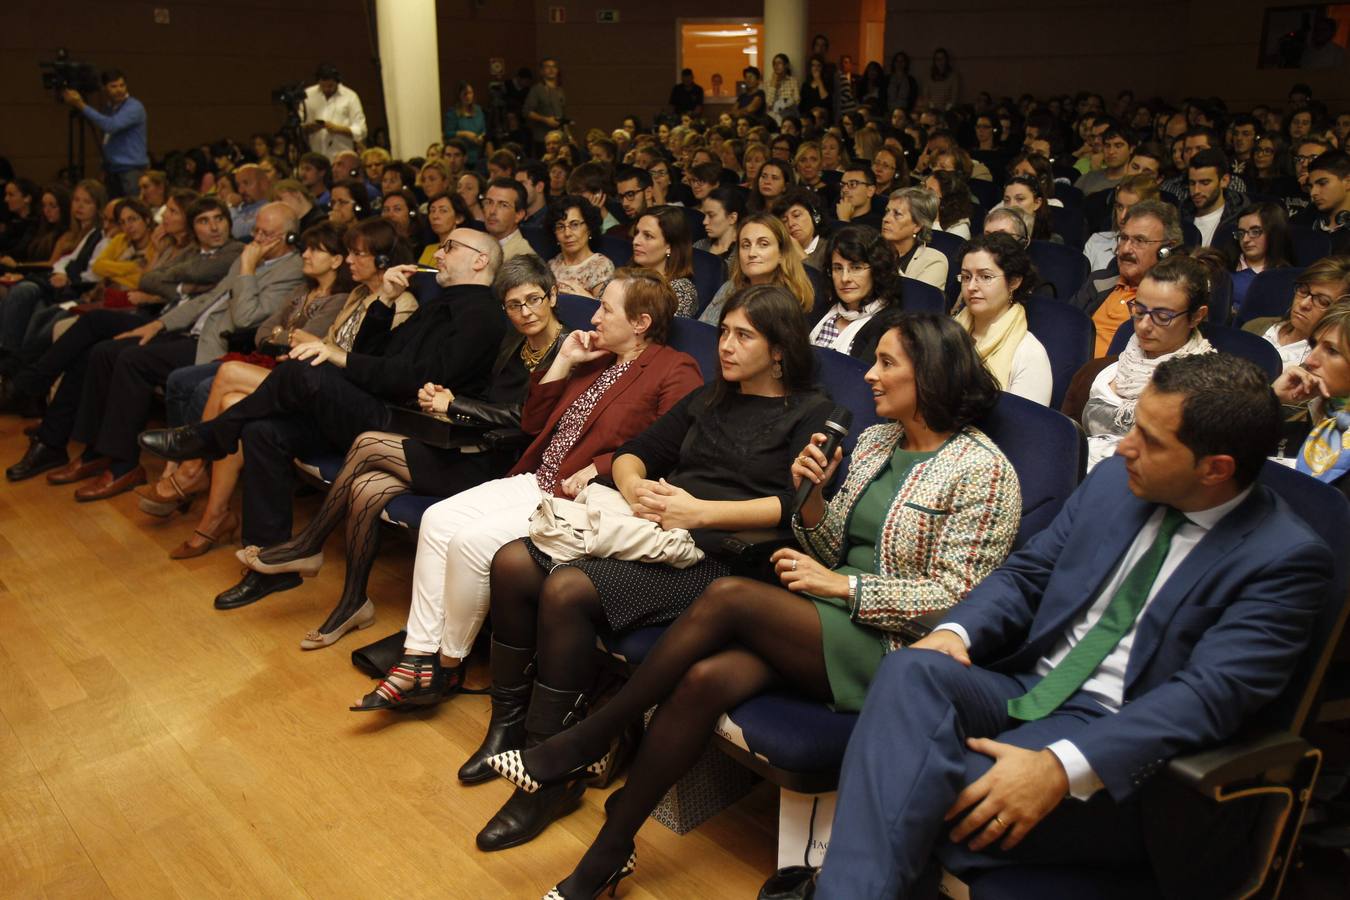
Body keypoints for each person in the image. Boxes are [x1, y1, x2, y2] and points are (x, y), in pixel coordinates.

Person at [487, 312, 1023, 898]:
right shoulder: (874, 442)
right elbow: (829, 543)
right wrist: (813, 499)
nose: (869, 375)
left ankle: (589, 737)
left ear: (933, 375)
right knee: (705, 680)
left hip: (901, 648)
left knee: (730, 595)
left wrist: (844, 587)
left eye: (887, 364)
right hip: (825, 614)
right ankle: (608, 853)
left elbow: (961, 598)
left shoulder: (984, 470)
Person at [812, 350, 1329, 898]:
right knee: (910, 673)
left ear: (1215, 468)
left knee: (903, 775)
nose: (1124, 446)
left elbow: (1208, 697)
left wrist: (1060, 768)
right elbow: (1029, 574)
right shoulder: (1114, 481)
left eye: (1150, 440)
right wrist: (955, 632)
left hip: (1122, 740)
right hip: (1030, 686)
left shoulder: (1285, 558)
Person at [468, 285, 836, 848]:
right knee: (513, 562)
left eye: (744, 336)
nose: (727, 347)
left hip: (724, 560)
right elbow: (637, 451)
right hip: (659, 534)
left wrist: (701, 512)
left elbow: (797, 507)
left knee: (567, 589)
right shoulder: (712, 397)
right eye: (724, 333)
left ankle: (549, 776)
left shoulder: (812, 412)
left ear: (780, 348)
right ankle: (509, 728)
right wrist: (638, 487)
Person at [350, 269, 702, 710]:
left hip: (572, 500)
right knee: (438, 521)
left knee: (470, 544)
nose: (593, 318)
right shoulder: (595, 359)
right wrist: (564, 360)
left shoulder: (674, 368)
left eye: (606, 309)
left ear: (641, 322)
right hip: (536, 477)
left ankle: (448, 662)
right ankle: (418, 656)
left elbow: (675, 444)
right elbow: (533, 423)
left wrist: (601, 467)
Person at [137, 227, 508, 609]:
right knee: (264, 432)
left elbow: (420, 380)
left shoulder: (483, 317)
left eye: (450, 247)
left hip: (407, 430)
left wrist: (336, 355)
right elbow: (375, 356)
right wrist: (384, 301)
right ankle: (271, 568)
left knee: (304, 369)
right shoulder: (439, 304)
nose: (439, 254)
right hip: (376, 409)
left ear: (480, 260)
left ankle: (211, 436)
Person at [232, 255, 569, 646]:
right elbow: (488, 397)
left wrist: (455, 405)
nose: (525, 312)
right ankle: (352, 601)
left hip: (505, 467)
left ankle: (308, 544)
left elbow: (528, 419)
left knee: (368, 442)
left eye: (533, 300)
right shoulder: (514, 341)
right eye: (514, 304)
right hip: (471, 444)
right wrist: (447, 397)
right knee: (366, 487)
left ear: (553, 295)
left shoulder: (569, 348)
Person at [3, 203, 304, 494]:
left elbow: (245, 318)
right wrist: (159, 325)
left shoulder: (288, 269)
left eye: (267, 234)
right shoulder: (248, 256)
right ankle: (90, 450)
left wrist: (248, 270)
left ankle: (123, 465)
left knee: (132, 360)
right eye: (256, 231)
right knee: (101, 350)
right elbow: (206, 299)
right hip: (186, 329)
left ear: (289, 237)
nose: (257, 239)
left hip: (213, 344)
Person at [135, 223, 356, 548]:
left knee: (227, 375)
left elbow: (300, 344)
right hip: (275, 371)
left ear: (337, 260)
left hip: (303, 384)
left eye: (315, 249)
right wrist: (283, 338)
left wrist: (282, 337)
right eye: (306, 248)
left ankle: (191, 470)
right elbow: (261, 334)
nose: (305, 255)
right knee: (228, 403)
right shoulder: (301, 293)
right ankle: (215, 516)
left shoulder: (340, 300)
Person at [1067, 254, 1215, 469]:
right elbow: (1067, 441)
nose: (1144, 325)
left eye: (1163, 316)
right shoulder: (1096, 371)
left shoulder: (1203, 388)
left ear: (1196, 316)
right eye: (1139, 310)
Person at [1070, 199, 1180, 357]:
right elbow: (1064, 328)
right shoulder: (1099, 281)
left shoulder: (1171, 301)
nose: (1125, 249)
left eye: (1139, 241)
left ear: (1166, 249)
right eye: (1123, 238)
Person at [953, 234, 1054, 405]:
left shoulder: (1029, 353)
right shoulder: (947, 333)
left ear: (1014, 282)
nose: (971, 287)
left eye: (985, 277)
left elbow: (1022, 427)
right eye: (966, 277)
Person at [1274, 302, 1350, 498]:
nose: (1310, 361)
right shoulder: (1321, 409)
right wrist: (1272, 397)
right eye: (1314, 345)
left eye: (1332, 351)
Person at [809, 225, 904, 360]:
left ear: (877, 270)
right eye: (837, 268)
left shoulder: (889, 326)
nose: (845, 278)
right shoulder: (821, 309)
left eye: (856, 267)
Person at [700, 214, 814, 324]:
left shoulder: (788, 301)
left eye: (763, 244)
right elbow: (701, 330)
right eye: (746, 245)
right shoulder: (729, 288)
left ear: (781, 254)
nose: (752, 253)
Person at [1243, 257, 1350, 370]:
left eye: (1322, 301)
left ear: (1340, 311)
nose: (1304, 304)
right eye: (1303, 290)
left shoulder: (1319, 362)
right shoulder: (1254, 325)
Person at [62, 69, 148, 198]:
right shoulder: (109, 108)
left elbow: (111, 126)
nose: (119, 90)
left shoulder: (134, 107)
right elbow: (107, 139)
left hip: (131, 171)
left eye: (122, 85)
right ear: (104, 88)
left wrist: (81, 105)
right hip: (113, 170)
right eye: (113, 86)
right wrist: (104, 165)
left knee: (131, 209)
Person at [1082, 175, 1160, 272]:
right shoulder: (1097, 241)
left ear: (1151, 211)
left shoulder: (1156, 249)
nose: (1123, 216)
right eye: (1120, 207)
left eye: (1132, 209)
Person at [1226, 202, 1294, 313]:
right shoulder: (1222, 265)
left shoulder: (1284, 278)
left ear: (1273, 234)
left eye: (1255, 232)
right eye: (1241, 233)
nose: (1245, 240)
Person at [630, 206, 698, 317]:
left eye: (648, 236)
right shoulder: (625, 276)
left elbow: (661, 332)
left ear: (670, 246)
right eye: (636, 233)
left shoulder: (680, 291)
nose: (635, 241)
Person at [547, 194, 614, 298]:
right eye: (560, 226)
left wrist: (585, 300)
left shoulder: (601, 267)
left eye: (574, 224)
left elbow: (606, 311)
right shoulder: (551, 266)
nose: (567, 233)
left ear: (589, 228)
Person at [882, 188, 948, 290]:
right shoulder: (873, 250)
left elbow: (918, 300)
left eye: (897, 214)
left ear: (918, 225)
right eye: (887, 212)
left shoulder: (933, 262)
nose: (885, 219)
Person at [298, 63, 366, 160]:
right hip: (315, 154)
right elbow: (299, 124)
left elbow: (361, 130)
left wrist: (338, 129)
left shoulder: (350, 96)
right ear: (319, 82)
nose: (327, 89)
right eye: (323, 86)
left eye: (330, 86)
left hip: (342, 155)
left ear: (337, 82)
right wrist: (309, 127)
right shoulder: (308, 95)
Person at [1182, 149, 1240, 248]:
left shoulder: (1240, 219)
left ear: (1224, 181)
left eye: (1205, 183)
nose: (1196, 191)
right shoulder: (1179, 216)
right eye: (1192, 183)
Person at [1305, 151, 1350, 255]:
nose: (1313, 193)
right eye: (1311, 186)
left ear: (1348, 182)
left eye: (1322, 183)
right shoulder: (1302, 221)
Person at [775, 188, 829, 271]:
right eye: (784, 220)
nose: (791, 224)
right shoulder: (781, 253)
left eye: (796, 215)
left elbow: (819, 282)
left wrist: (801, 255)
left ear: (815, 217)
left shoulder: (829, 249)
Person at [482, 178, 535, 261]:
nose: (492, 211)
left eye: (503, 205)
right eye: (489, 202)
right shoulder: (475, 243)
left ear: (519, 215)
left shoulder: (523, 258)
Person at [694, 185, 744, 270]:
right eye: (705, 215)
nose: (704, 222)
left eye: (711, 215)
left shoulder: (742, 254)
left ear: (732, 218)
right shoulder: (700, 246)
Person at [524, 58, 567, 153]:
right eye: (548, 67)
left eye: (554, 67)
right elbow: (527, 111)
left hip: (559, 137)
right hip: (543, 137)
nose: (551, 69)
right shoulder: (536, 90)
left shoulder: (560, 90)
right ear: (542, 71)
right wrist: (546, 120)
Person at [443, 81, 487, 168]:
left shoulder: (478, 110)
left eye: (470, 93)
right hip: (461, 155)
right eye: (465, 94)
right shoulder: (453, 113)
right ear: (459, 95)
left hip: (478, 154)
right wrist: (464, 134)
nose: (468, 96)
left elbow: (484, 129)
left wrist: (482, 136)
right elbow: (447, 134)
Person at [1001, 175, 1056, 243]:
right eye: (1006, 200)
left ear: (1037, 203)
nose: (1011, 205)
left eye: (1020, 199)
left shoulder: (1052, 241)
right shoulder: (995, 233)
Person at [418, 191, 468, 266]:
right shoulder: (429, 249)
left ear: (458, 218)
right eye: (432, 211)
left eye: (443, 211)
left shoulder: (466, 250)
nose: (435, 216)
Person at [927, 170, 973, 240]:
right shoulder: (919, 213)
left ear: (946, 201)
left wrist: (936, 220)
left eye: (930, 191)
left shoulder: (960, 229)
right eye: (923, 186)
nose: (922, 193)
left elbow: (939, 248)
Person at [766, 54, 800, 124]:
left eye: (779, 63)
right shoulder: (768, 83)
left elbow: (797, 101)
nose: (776, 66)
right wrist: (773, 85)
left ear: (786, 65)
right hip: (773, 117)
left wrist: (784, 108)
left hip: (789, 115)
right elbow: (769, 104)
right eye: (774, 64)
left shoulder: (793, 81)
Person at [800, 56, 832, 124]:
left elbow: (825, 100)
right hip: (808, 118)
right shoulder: (805, 85)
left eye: (819, 66)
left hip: (822, 118)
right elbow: (802, 104)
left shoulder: (827, 82)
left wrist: (819, 80)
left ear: (822, 68)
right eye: (813, 65)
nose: (816, 68)